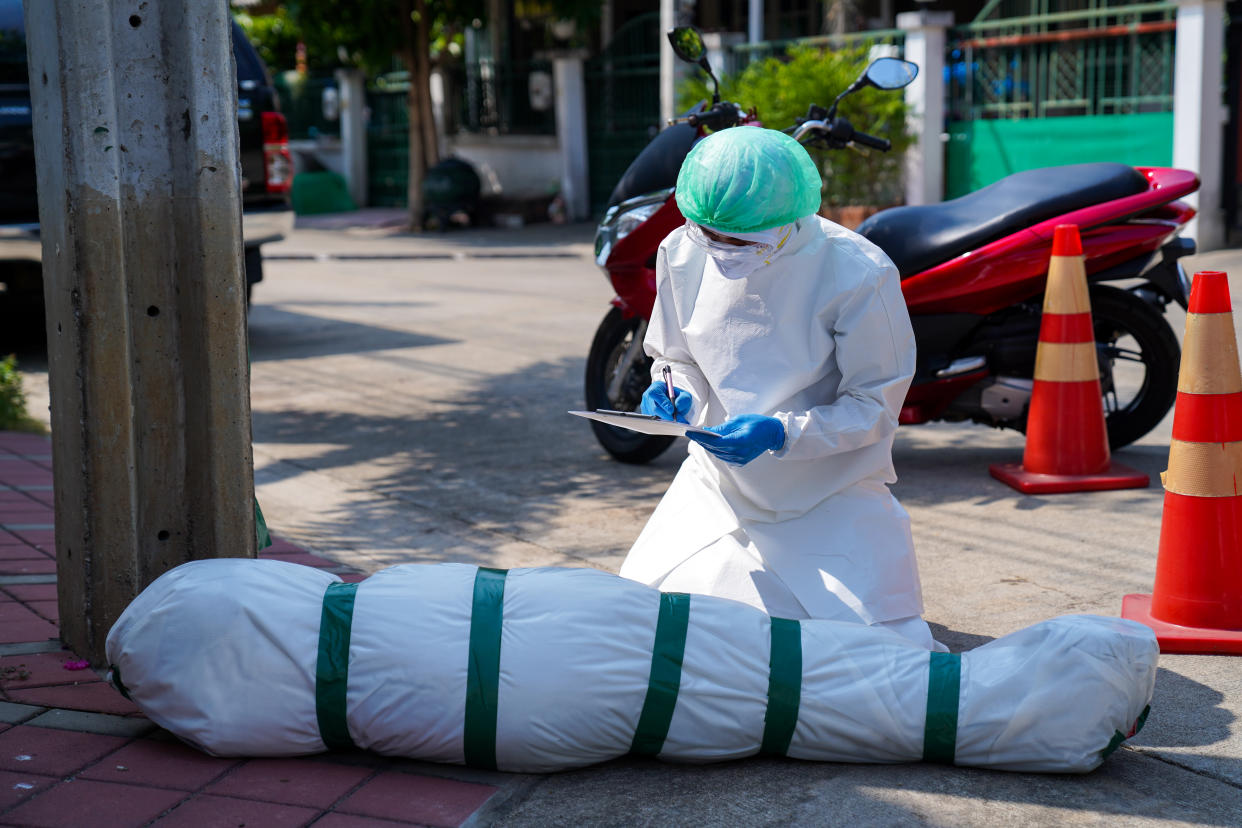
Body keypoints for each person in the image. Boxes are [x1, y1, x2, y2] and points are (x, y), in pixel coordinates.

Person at [618, 126, 942, 651]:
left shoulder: (856, 272)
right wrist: (674, 390)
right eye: (708, 233)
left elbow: (873, 407)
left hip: (827, 491)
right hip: (718, 488)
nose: (721, 250)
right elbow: (677, 354)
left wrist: (781, 434)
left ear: (792, 219)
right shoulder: (681, 249)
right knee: (647, 632)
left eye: (741, 239)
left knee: (881, 656)